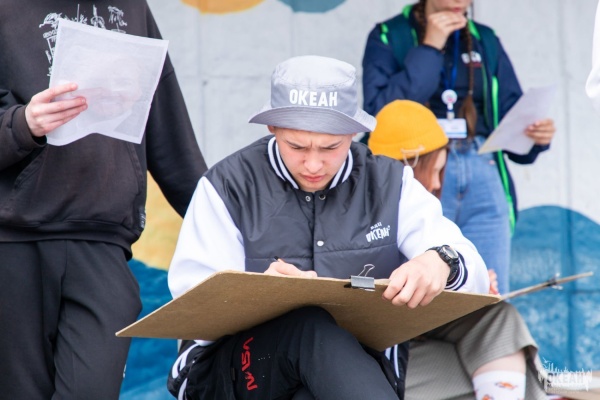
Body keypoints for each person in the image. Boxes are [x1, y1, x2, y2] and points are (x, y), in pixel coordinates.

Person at [166, 55, 488, 400]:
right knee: (309, 327)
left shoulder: (391, 183)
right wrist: (259, 296)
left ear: (353, 133)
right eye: (296, 146)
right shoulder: (227, 185)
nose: (313, 164)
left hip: (349, 371)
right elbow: (193, 306)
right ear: (272, 129)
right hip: (231, 371)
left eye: (331, 147)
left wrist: (440, 261)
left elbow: (475, 275)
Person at [0, 2, 207, 399]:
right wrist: (24, 124)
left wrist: (235, 227)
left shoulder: (133, 7)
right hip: (11, 242)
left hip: (104, 241)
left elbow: (171, 137)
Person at [361, 0, 556, 295]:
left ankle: (488, 327)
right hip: (422, 165)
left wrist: (534, 136)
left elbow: (510, 114)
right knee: (433, 285)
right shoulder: (389, 34)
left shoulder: (484, 38)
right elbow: (381, 114)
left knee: (490, 289)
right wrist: (429, 48)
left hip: (483, 164)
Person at [369, 99, 549, 400]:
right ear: (409, 166)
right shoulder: (360, 206)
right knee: (491, 364)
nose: (436, 183)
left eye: (442, 172)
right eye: (434, 170)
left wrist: (470, 291)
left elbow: (455, 264)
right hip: (377, 352)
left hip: (423, 336)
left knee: (499, 318)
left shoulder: (425, 214)